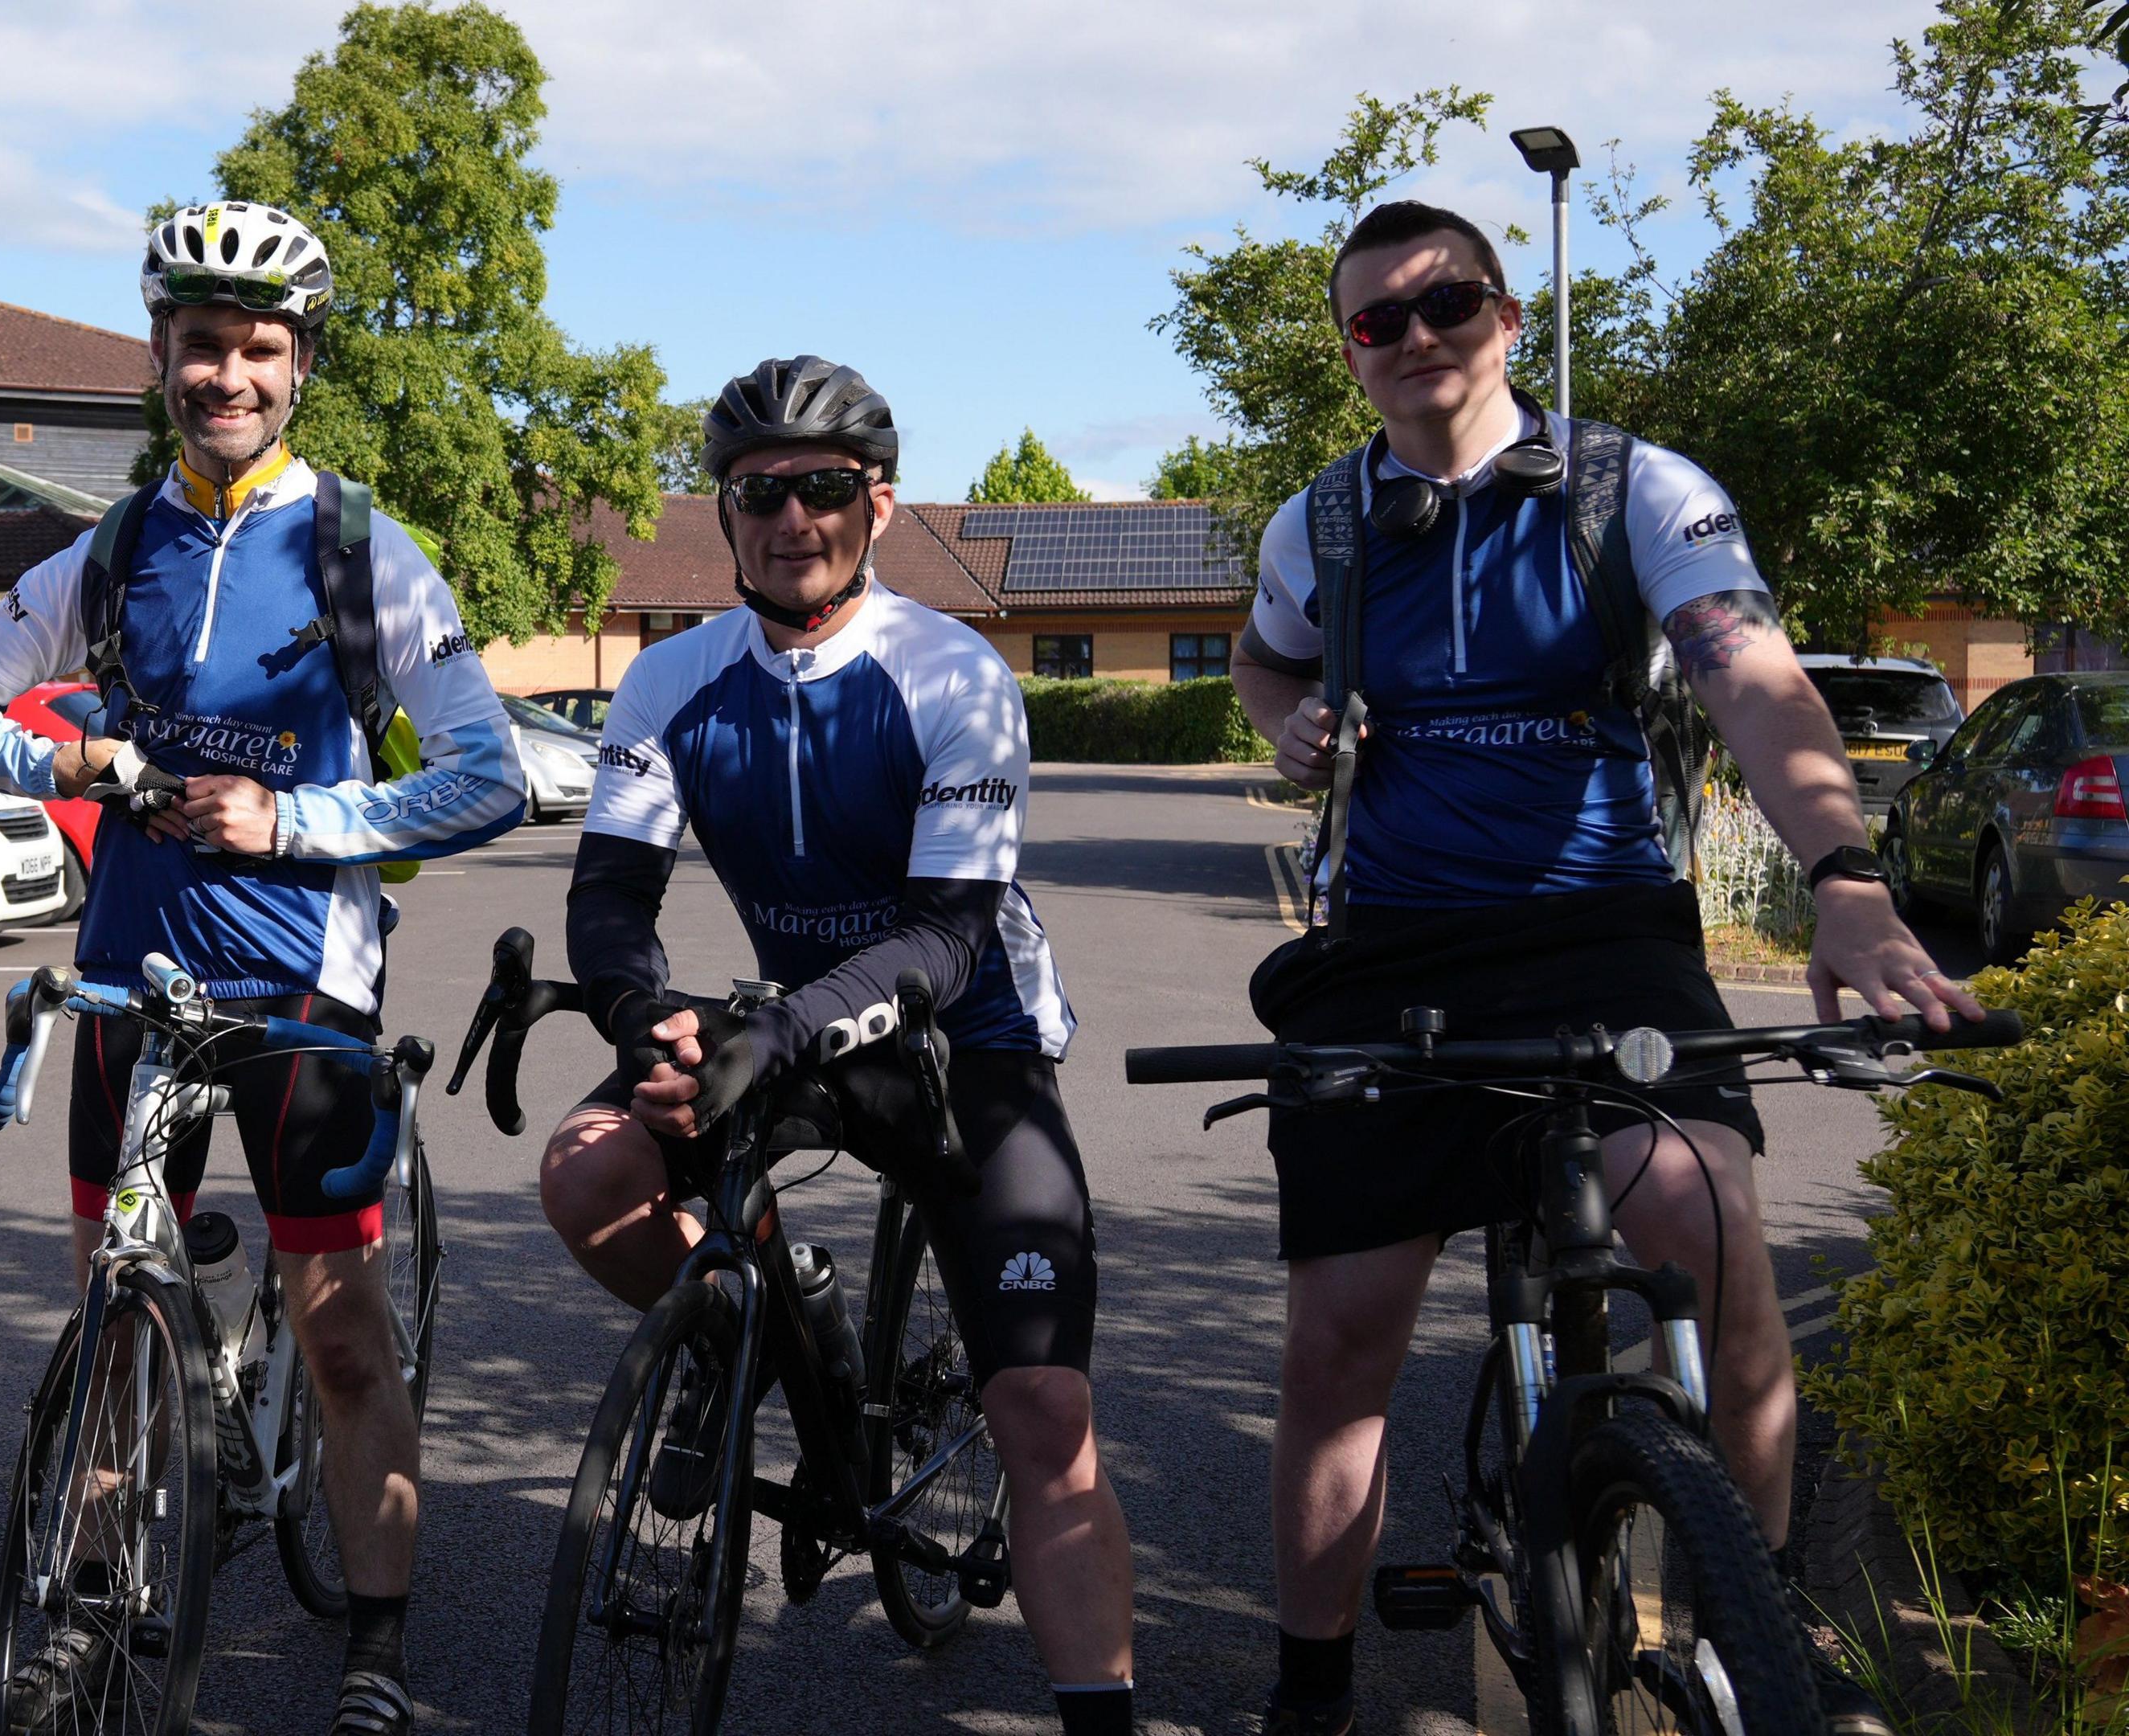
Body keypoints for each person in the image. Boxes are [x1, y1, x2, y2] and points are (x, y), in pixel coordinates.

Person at [1227, 199, 1975, 1735]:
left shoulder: (1639, 490)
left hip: (1602, 927)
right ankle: (1311, 1689)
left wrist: (1847, 882)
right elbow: (1266, 657)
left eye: (1449, 306)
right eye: (1381, 321)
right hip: (1392, 942)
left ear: (1505, 317)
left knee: (1706, 1220)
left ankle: (1758, 1628)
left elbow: (1751, 675)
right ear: (1353, 354)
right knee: (1342, 1326)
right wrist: (1286, 728)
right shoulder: (1321, 523)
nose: (1418, 337)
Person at [0, 200, 523, 1736]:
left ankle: (375, 1640)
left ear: (297, 363)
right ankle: (97, 1603)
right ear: (161, 357)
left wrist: (297, 816)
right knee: (111, 1323)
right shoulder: (112, 551)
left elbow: (487, 775)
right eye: (199, 345)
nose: (225, 373)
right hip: (129, 984)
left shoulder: (366, 552)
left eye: (256, 347)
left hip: (302, 992)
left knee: (340, 1332)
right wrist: (88, 759)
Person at [536, 356, 1140, 1735]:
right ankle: (747, 1314)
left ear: (876, 502)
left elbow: (942, 938)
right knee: (585, 1174)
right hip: (792, 1027)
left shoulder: (955, 674)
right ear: (726, 511)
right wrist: (644, 1022)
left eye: (821, 488)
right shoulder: (674, 681)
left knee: (1042, 1407)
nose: (790, 517)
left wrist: (782, 1027)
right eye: (759, 493)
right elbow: (611, 900)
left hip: (967, 1042)